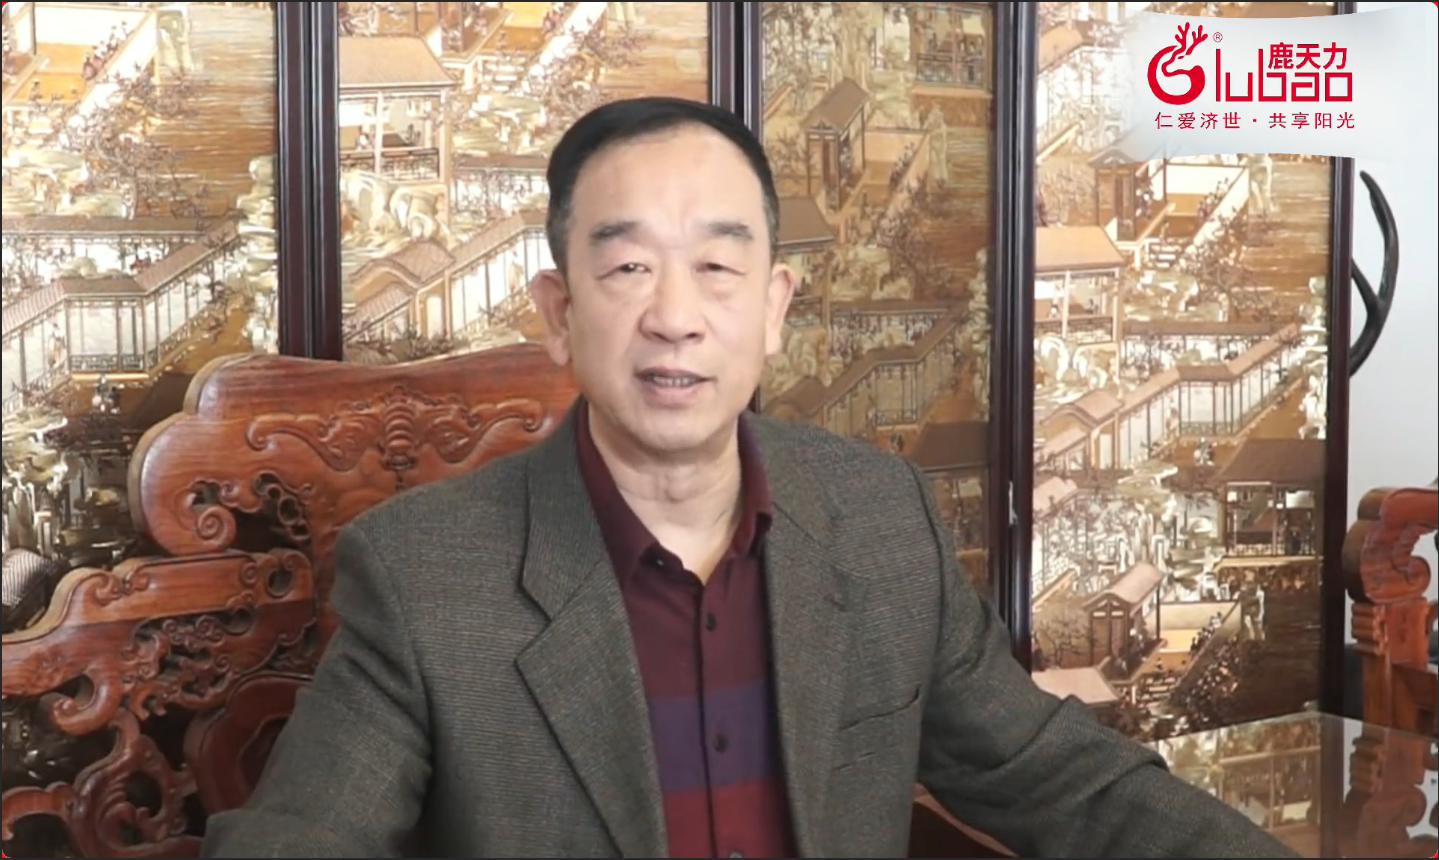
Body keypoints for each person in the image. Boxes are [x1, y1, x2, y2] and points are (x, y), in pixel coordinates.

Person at [202, 97, 1296, 859]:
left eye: (717, 267)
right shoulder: (426, 571)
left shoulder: (877, 518)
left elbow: (1058, 780)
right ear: (558, 313)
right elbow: (303, 836)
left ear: (773, 310)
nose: (674, 314)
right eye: (628, 266)